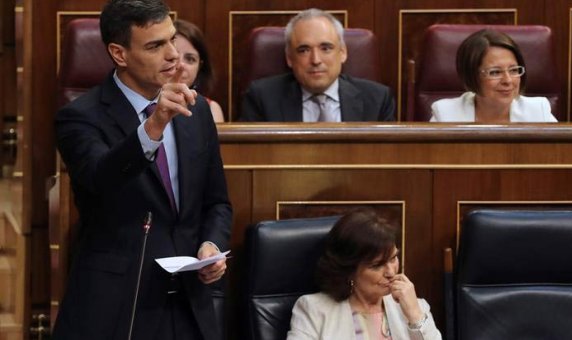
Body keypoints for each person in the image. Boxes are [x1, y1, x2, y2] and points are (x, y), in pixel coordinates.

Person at [52, 1, 232, 339]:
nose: (173, 55)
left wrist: (211, 244)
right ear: (119, 54)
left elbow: (216, 201)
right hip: (119, 304)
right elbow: (99, 180)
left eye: (171, 40)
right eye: (155, 46)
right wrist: (154, 126)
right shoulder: (80, 117)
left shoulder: (198, 111)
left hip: (191, 305)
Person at [287, 209, 442, 339]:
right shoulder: (314, 310)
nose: (390, 272)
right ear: (349, 269)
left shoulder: (415, 307)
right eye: (377, 265)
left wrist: (415, 316)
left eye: (393, 258)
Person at [240, 8, 395, 122]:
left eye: (326, 48)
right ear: (289, 58)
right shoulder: (262, 99)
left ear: (342, 53)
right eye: (304, 50)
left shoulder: (377, 100)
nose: (315, 60)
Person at [429, 29, 557, 123]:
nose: (507, 80)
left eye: (513, 70)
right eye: (495, 72)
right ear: (471, 75)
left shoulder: (539, 113)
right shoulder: (445, 115)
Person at [174, 19, 225, 123]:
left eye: (190, 59)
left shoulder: (210, 109)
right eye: (173, 56)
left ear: (199, 66)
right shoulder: (145, 106)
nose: (180, 65)